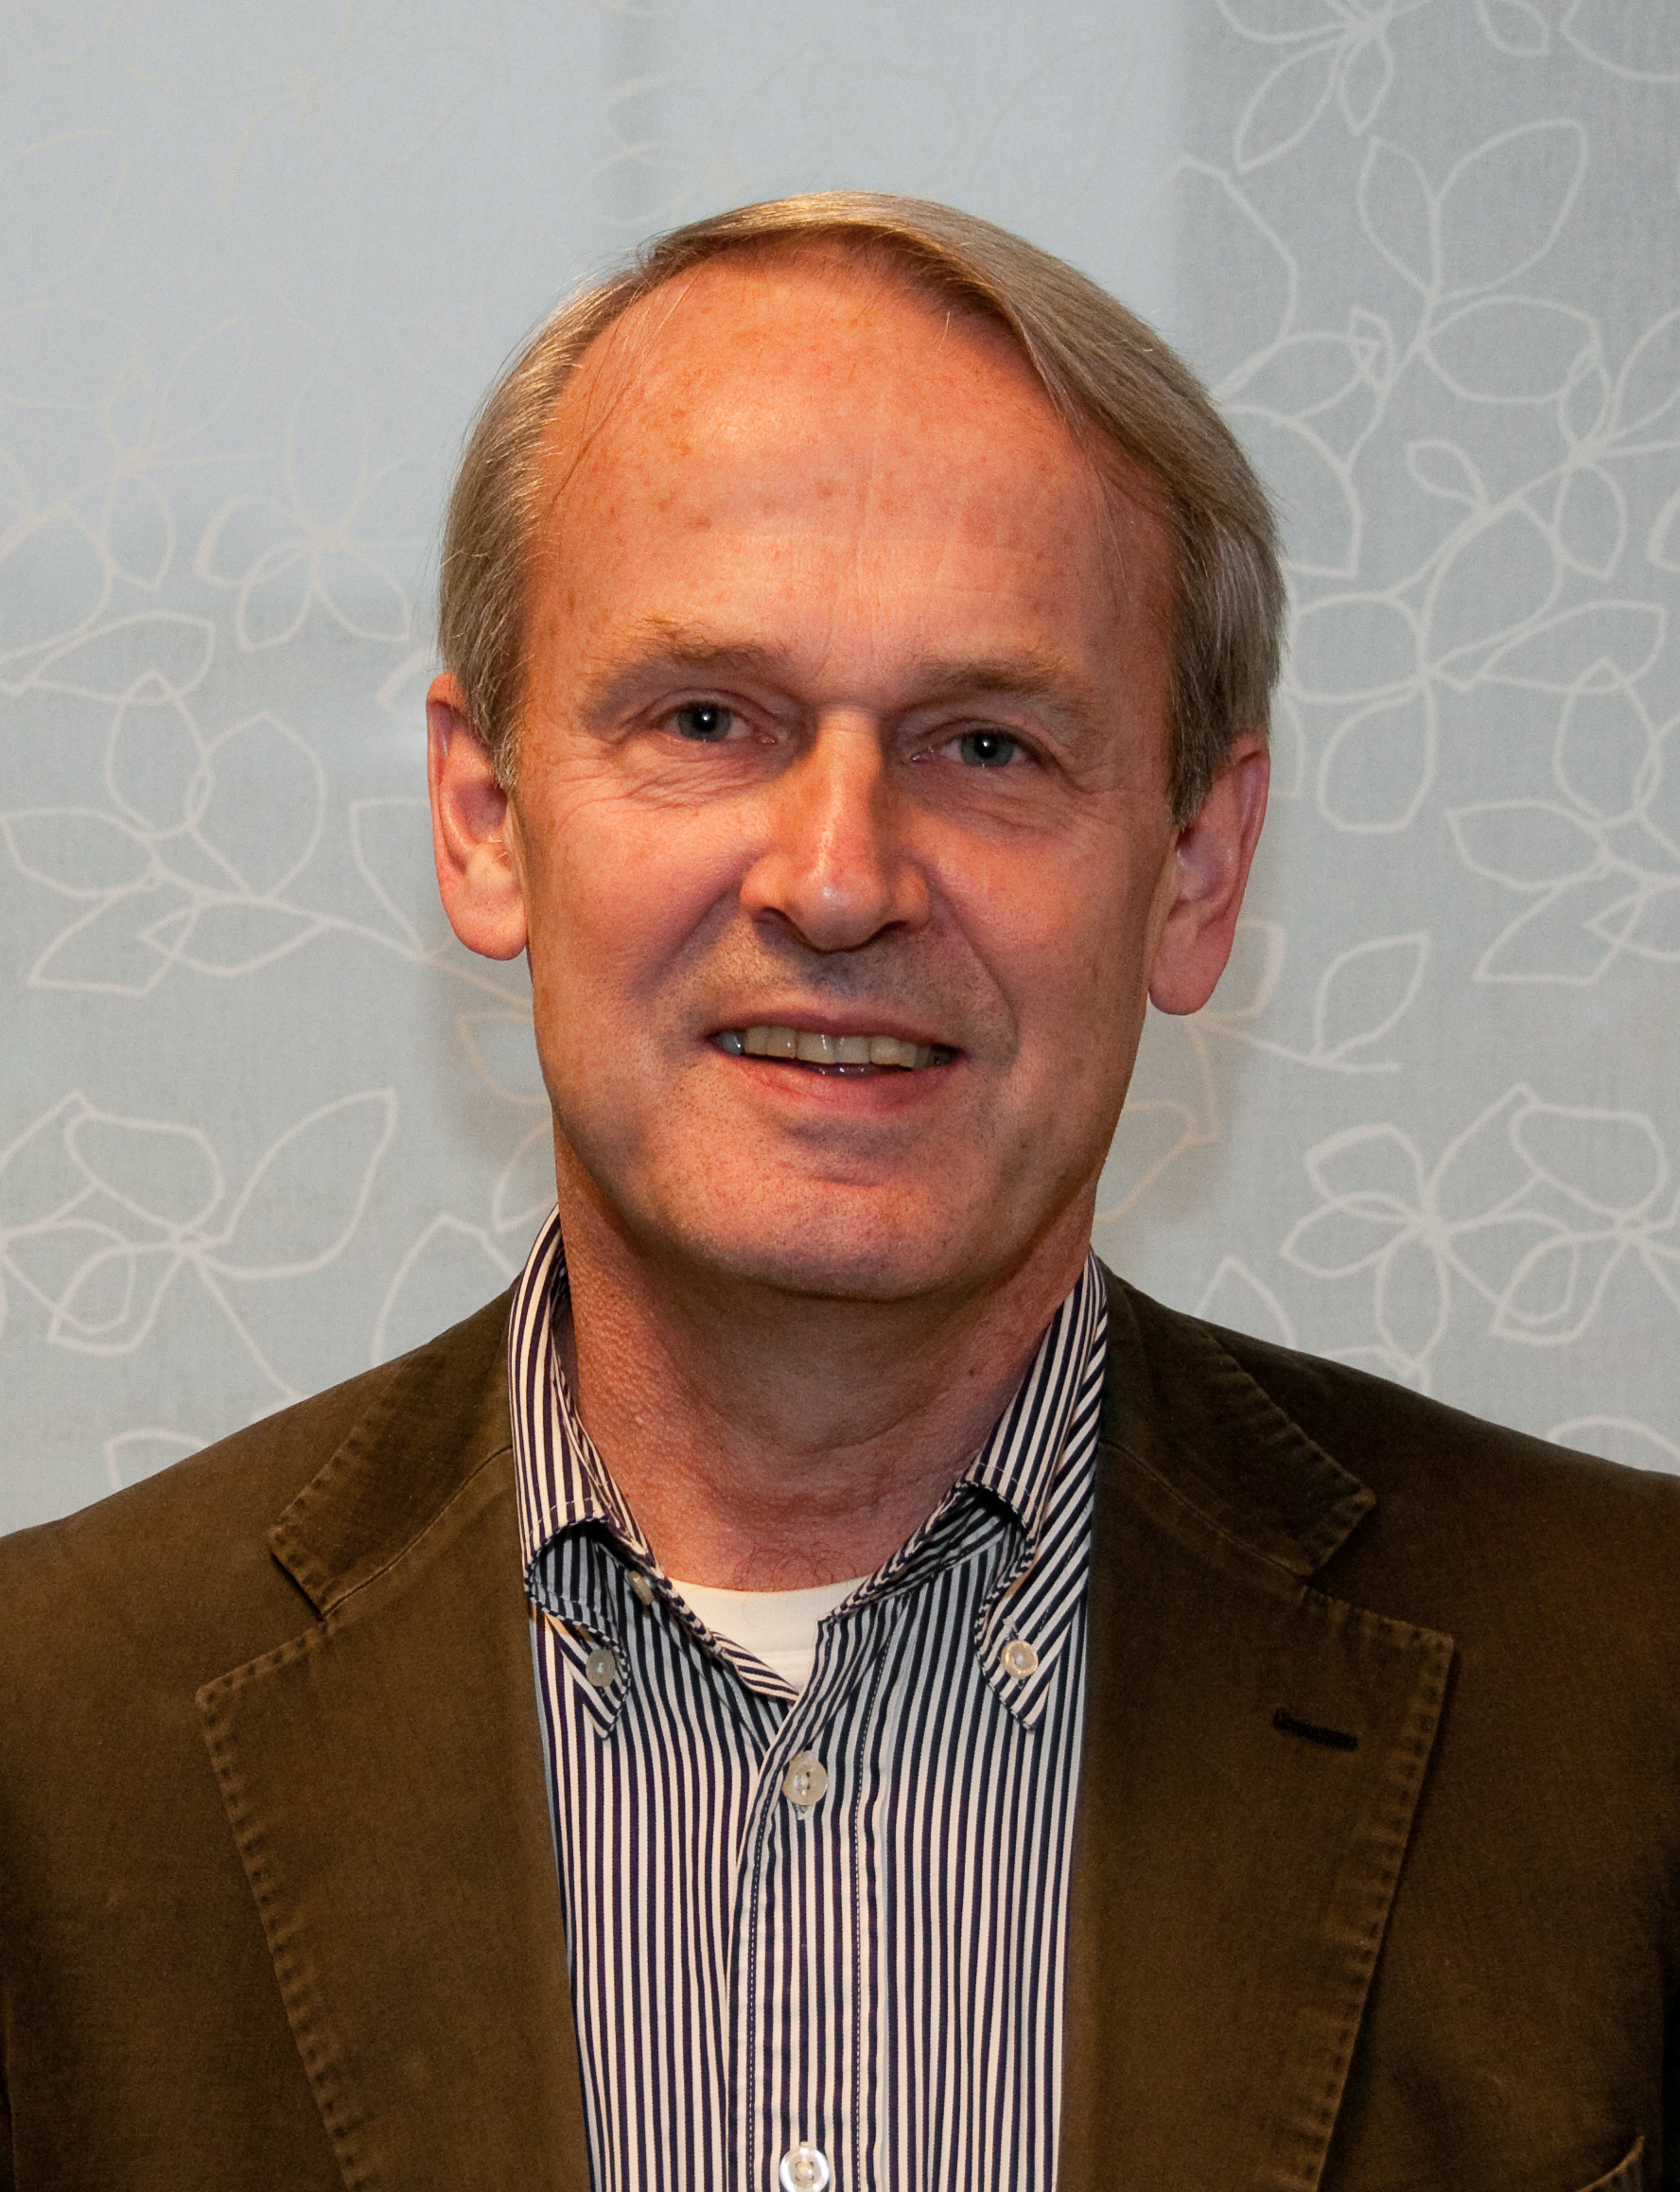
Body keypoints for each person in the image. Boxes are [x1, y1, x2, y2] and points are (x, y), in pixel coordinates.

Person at [0, 194, 1672, 2192]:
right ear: (485, 817)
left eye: (989, 745)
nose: (840, 877)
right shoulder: (46, 1749)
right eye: (709, 720)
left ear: (1198, 866)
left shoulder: (1633, 1704)